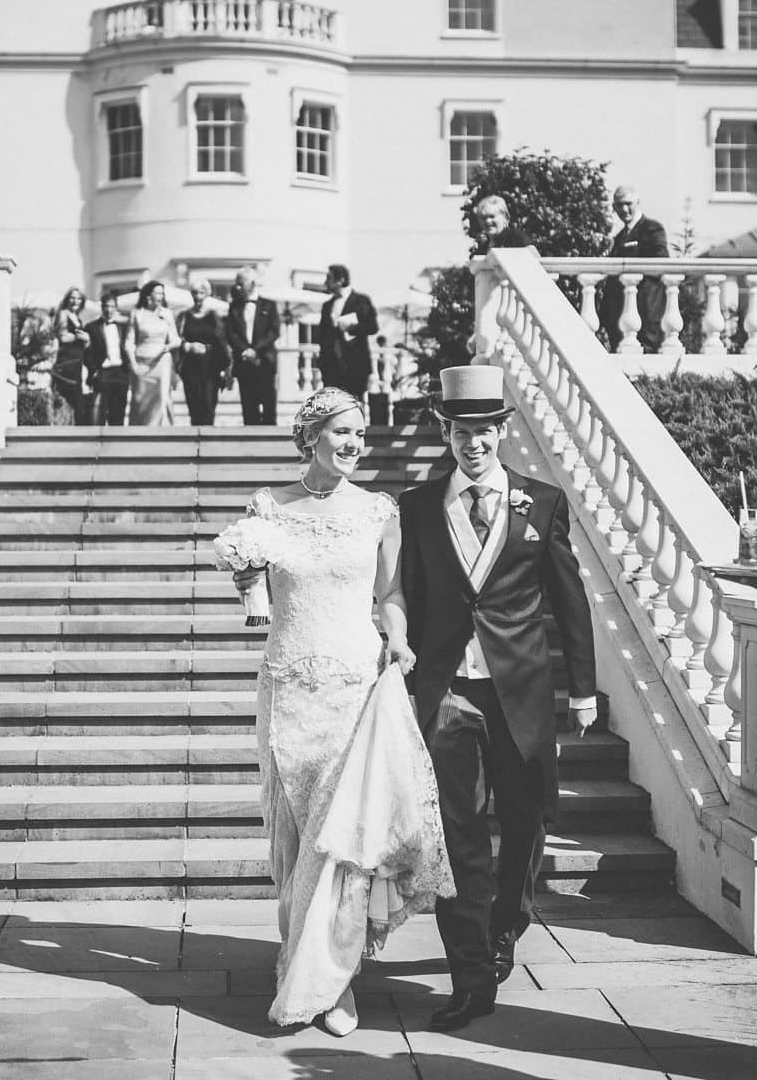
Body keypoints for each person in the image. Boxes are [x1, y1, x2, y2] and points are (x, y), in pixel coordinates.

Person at [233, 387, 453, 1034]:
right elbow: (253, 582)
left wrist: (401, 638)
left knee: (344, 838)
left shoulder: (380, 510)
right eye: (343, 431)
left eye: (361, 432)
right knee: (300, 838)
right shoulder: (267, 507)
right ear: (311, 436)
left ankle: (338, 980)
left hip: (356, 685)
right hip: (290, 686)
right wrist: (245, 581)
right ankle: (297, 958)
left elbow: (390, 592)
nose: (356, 443)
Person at [397, 364, 597, 1033]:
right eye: (460, 431)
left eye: (484, 430)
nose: (472, 443)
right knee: (458, 839)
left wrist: (584, 687)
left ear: (503, 430)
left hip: (522, 693)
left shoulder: (540, 501)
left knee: (524, 823)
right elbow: (412, 600)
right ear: (446, 432)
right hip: (449, 694)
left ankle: (508, 921)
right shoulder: (418, 506)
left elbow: (570, 599)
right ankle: (472, 976)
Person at [596, 185, 670, 353]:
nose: (624, 209)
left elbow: (660, 262)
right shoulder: (618, 238)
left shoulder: (652, 229)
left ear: (638, 203)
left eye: (628, 203)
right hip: (619, 321)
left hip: (645, 316)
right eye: (619, 205)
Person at [227, 267, 281, 427]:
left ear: (253, 283)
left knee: (269, 406)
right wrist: (245, 350)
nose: (237, 287)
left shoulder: (269, 305)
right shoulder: (234, 307)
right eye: (236, 283)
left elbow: (274, 331)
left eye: (241, 283)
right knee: (249, 407)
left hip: (265, 362)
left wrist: (255, 350)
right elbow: (230, 333)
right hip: (244, 363)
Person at [316, 264, 378, 398]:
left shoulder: (361, 301)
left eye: (329, 278)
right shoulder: (327, 305)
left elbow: (373, 327)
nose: (325, 282)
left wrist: (352, 328)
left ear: (340, 280)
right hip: (331, 367)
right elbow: (322, 334)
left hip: (355, 365)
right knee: (333, 408)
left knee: (353, 407)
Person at [177, 278, 230, 427]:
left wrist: (224, 369)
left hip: (210, 368)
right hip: (190, 367)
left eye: (201, 293)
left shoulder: (213, 316)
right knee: (194, 407)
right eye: (194, 293)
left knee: (208, 406)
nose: (198, 296)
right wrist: (187, 346)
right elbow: (176, 339)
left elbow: (221, 343)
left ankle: (208, 444)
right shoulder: (184, 317)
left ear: (206, 294)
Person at [128, 279, 181, 427]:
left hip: (162, 362)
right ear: (148, 296)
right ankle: (140, 435)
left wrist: (167, 347)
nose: (161, 296)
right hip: (142, 363)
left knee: (163, 399)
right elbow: (129, 341)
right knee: (140, 401)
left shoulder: (167, 314)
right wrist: (133, 364)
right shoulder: (137, 314)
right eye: (158, 293)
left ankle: (164, 434)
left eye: (162, 293)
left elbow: (176, 339)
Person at [83, 299, 132, 428]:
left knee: (118, 414)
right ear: (102, 307)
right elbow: (87, 352)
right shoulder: (91, 327)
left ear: (116, 308)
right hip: (102, 373)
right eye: (106, 306)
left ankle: (117, 444)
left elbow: (128, 348)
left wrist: (128, 371)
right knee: (99, 414)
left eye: (112, 306)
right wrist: (94, 371)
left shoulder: (123, 327)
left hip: (121, 373)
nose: (109, 309)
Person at [51, 286, 91, 426]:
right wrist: (79, 337)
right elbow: (62, 337)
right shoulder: (63, 313)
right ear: (68, 299)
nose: (76, 301)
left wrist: (86, 340)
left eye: (79, 298)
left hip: (77, 362)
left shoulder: (77, 318)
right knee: (68, 398)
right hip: (66, 362)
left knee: (77, 401)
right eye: (73, 298)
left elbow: (81, 342)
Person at [367, 335, 395, 428]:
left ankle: (384, 422)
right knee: (376, 404)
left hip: (385, 382)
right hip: (377, 383)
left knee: (384, 404)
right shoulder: (377, 354)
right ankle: (377, 422)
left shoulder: (387, 354)